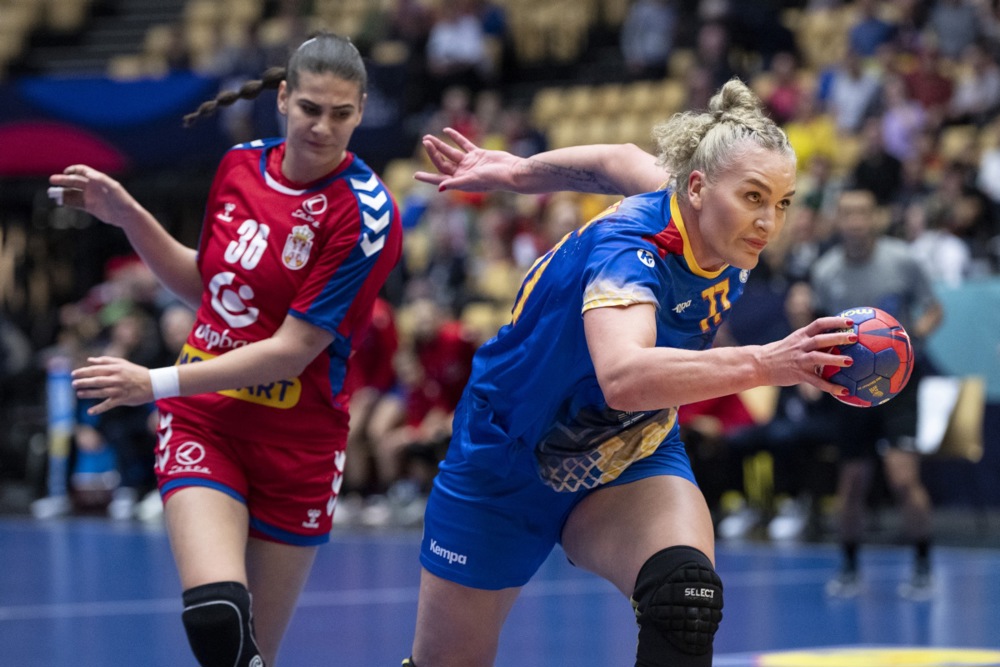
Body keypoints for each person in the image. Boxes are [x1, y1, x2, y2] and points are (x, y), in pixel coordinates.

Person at [404, 78, 858, 667]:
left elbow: (616, 159)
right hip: (507, 457)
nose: (769, 222)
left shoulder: (712, 221)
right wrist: (768, 363)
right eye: (753, 197)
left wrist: (517, 172)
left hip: (628, 451)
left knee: (685, 599)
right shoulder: (631, 249)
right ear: (697, 187)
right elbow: (623, 376)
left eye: (783, 202)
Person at [48, 32, 402, 667]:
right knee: (218, 618)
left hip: (297, 442)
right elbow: (206, 285)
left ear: (362, 111)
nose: (322, 127)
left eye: (341, 113)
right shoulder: (239, 165)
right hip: (203, 422)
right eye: (310, 108)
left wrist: (151, 382)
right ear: (283, 98)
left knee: (252, 653)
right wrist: (128, 214)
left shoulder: (365, 213)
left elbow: (292, 351)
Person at [809, 188, 943, 600]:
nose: (855, 221)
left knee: (903, 478)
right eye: (847, 213)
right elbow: (817, 329)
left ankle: (923, 565)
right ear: (838, 220)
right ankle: (849, 567)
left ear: (876, 217)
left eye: (863, 213)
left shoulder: (902, 260)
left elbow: (934, 309)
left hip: (899, 385)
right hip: (850, 389)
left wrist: (911, 338)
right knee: (852, 482)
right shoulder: (825, 271)